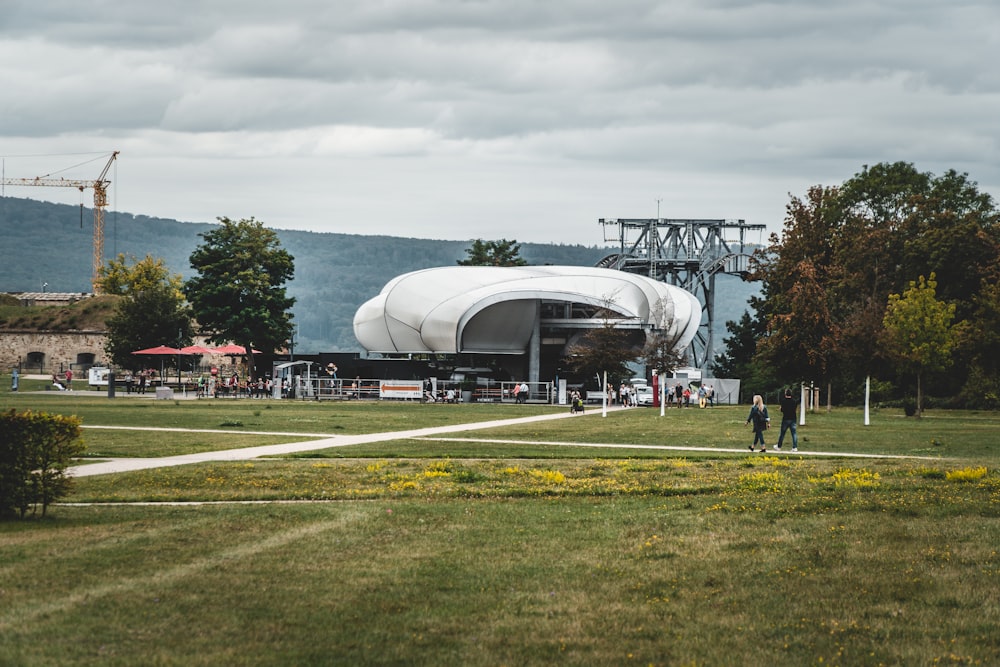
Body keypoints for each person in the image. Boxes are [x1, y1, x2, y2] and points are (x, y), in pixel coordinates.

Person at [776, 387, 799, 452]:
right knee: (794, 433)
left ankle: (779, 446)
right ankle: (795, 447)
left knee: (782, 433)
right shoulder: (794, 401)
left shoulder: (783, 401)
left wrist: (781, 409)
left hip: (786, 418)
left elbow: (782, 410)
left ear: (785, 394)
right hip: (793, 418)